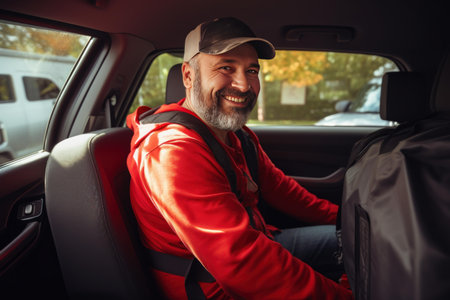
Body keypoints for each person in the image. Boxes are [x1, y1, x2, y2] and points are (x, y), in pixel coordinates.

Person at [127, 17, 353, 300]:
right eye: (226, 67)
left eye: (252, 70)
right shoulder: (171, 151)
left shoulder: (233, 133)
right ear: (188, 76)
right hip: (213, 286)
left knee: (365, 241)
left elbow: (281, 189)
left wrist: (349, 221)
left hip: (261, 241)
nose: (244, 85)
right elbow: (243, 263)